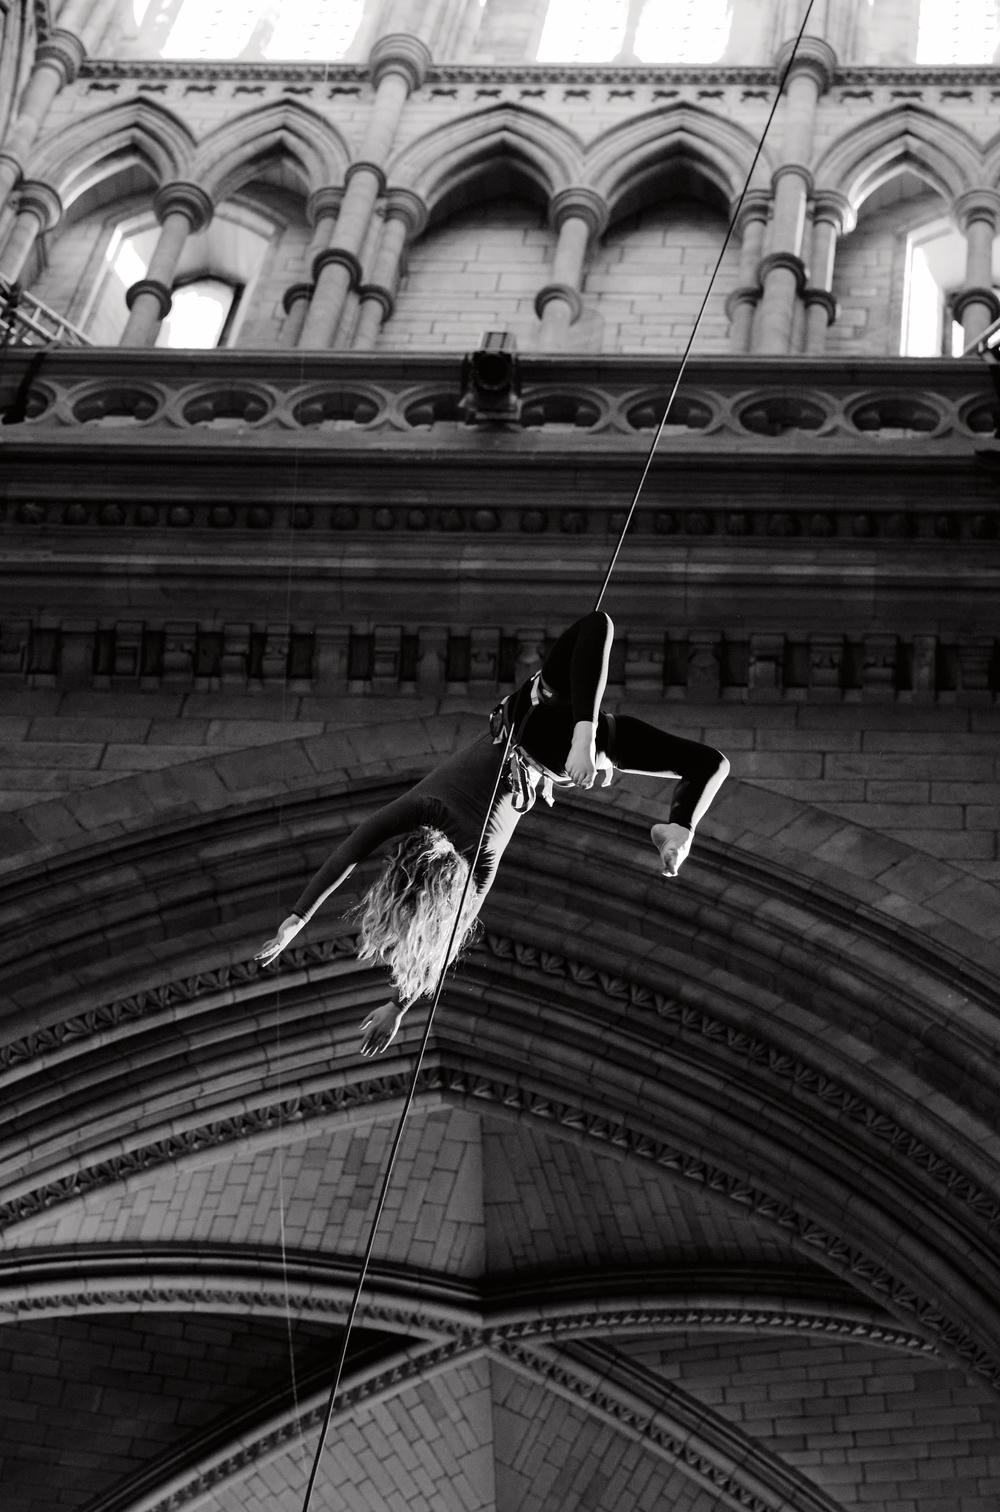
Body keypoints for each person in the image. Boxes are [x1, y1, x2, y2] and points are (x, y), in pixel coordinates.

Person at [255, 612, 728, 1055]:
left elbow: (439, 940)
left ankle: (677, 830)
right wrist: (298, 918)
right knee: (597, 629)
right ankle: (667, 817)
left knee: (710, 764)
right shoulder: (430, 813)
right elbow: (356, 849)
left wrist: (397, 1003)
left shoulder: (473, 864)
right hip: (540, 726)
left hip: (563, 750)